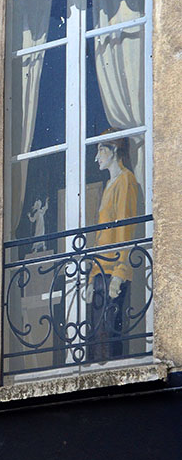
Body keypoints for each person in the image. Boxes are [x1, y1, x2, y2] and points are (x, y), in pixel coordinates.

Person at [86, 135, 139, 362]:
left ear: (114, 151)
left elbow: (125, 228)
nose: (96, 157)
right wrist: (91, 278)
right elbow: (101, 238)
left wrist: (119, 272)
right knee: (96, 340)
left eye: (101, 150)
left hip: (113, 273)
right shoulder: (108, 184)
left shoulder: (126, 180)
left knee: (108, 339)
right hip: (100, 271)